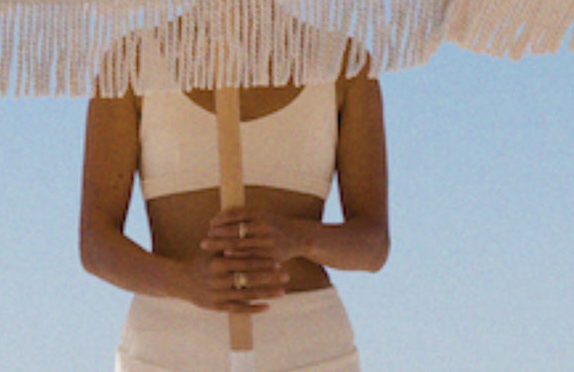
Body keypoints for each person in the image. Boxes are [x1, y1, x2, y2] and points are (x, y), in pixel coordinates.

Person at [79, 37, 388, 372]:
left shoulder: (344, 64)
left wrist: (300, 237)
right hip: (168, 348)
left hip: (308, 347)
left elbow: (373, 245)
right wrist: (182, 281)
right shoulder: (133, 62)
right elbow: (96, 243)